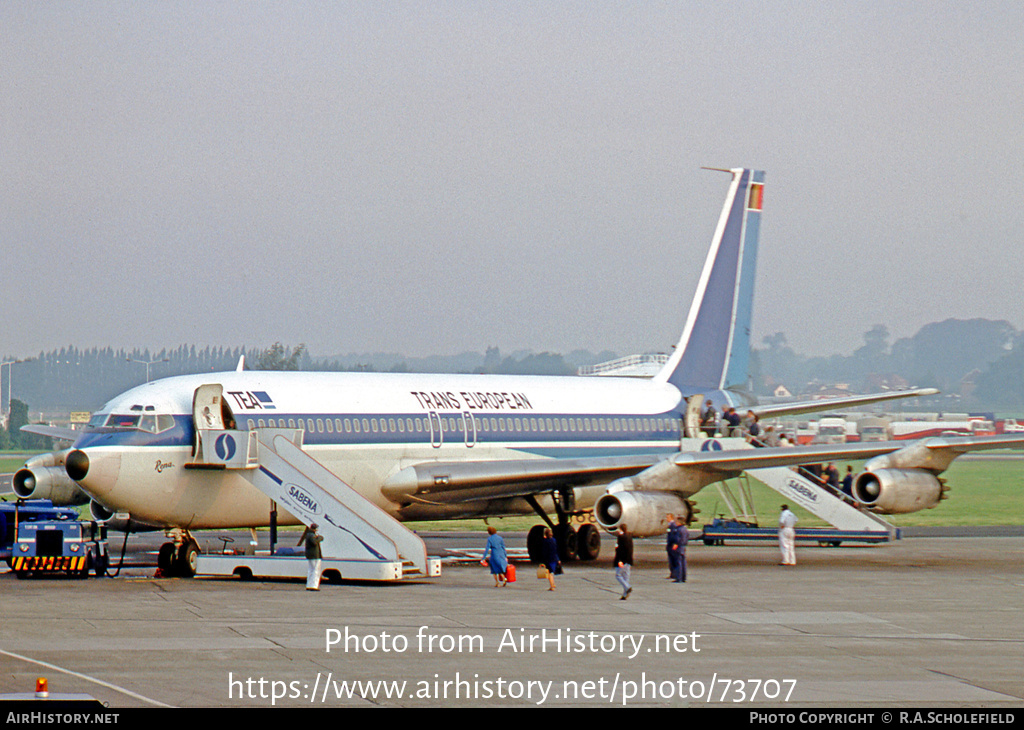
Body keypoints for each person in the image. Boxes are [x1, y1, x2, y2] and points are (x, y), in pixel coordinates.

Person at [666, 514, 687, 583]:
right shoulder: (684, 529)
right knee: (682, 562)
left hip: (678, 547)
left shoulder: (678, 529)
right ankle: (683, 577)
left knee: (678, 562)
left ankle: (679, 578)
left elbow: (676, 538)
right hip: (682, 547)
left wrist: (675, 545)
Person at [302, 523, 323, 591]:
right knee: (315, 571)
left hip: (311, 555)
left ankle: (309, 585)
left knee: (311, 570)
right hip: (314, 556)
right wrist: (320, 538)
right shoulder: (311, 535)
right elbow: (314, 542)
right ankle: (314, 586)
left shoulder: (308, 534)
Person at [614, 524, 633, 600]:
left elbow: (620, 551)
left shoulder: (621, 538)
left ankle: (627, 587)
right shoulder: (629, 537)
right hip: (628, 560)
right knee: (626, 577)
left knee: (618, 575)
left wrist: (620, 561)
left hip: (622, 560)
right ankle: (625, 595)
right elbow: (630, 550)